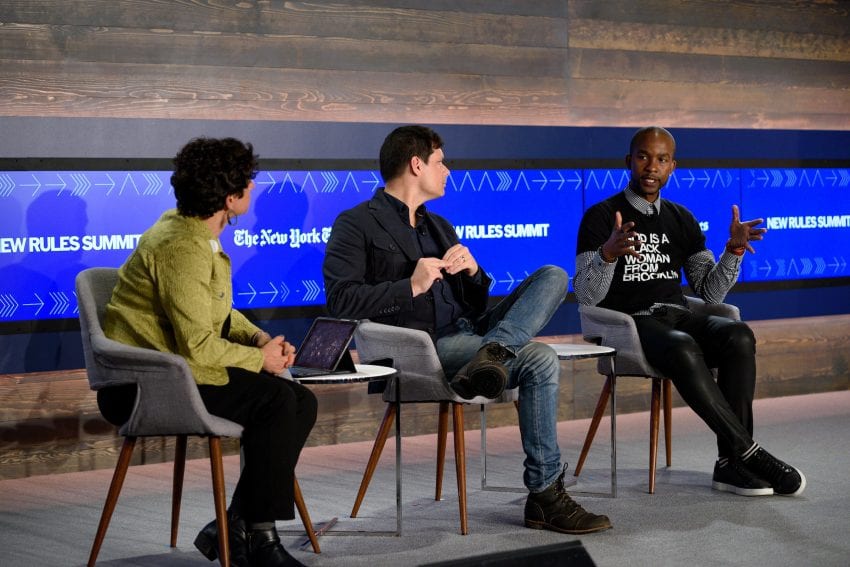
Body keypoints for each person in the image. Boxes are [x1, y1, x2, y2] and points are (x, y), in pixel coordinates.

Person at [323, 125, 611, 534]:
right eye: (440, 162)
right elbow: (341, 302)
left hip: (468, 332)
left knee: (553, 274)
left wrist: (474, 272)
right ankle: (545, 496)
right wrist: (410, 285)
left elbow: (474, 305)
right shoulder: (355, 224)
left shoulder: (438, 226)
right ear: (416, 164)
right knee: (542, 358)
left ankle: (493, 352)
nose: (447, 170)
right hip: (423, 348)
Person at [101, 137, 316, 567]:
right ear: (228, 196)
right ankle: (259, 540)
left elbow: (217, 310)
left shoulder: (196, 233)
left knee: (301, 401)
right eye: (248, 183)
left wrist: (258, 340)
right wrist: (261, 361)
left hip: (179, 372)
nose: (253, 190)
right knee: (276, 400)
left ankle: (234, 525)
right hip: (144, 385)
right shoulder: (181, 246)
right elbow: (197, 345)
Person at [574, 126, 806, 497]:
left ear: (672, 167)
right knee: (682, 345)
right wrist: (606, 255)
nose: (652, 166)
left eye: (662, 159)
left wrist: (733, 251)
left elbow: (709, 291)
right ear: (629, 161)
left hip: (676, 315)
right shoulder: (601, 217)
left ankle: (730, 463)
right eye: (644, 156)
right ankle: (748, 453)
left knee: (739, 335)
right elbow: (586, 295)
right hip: (630, 324)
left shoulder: (682, 218)